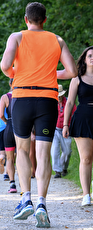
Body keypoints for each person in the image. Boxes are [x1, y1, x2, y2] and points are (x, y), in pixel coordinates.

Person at [0, 2, 77, 228]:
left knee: (22, 150)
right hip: (48, 100)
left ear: (26, 19)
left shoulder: (16, 37)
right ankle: (42, 203)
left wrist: (17, 73)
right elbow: (72, 71)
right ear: (45, 20)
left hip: (22, 99)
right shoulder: (57, 40)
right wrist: (51, 73)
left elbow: (5, 66)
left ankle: (26, 199)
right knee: (43, 153)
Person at [63, 46, 93, 206]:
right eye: (90, 55)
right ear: (85, 59)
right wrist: (66, 124)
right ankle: (86, 195)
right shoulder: (77, 78)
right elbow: (69, 103)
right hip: (83, 119)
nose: (92, 58)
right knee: (86, 158)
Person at [51, 84, 76, 178]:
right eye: (57, 95)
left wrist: (73, 128)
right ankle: (57, 171)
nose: (59, 97)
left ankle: (64, 167)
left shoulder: (68, 102)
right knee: (54, 151)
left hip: (66, 130)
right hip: (55, 130)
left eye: (60, 95)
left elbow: (74, 115)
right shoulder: (52, 102)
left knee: (67, 152)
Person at [0, 79, 17, 193]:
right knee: (21, 156)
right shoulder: (23, 95)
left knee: (9, 158)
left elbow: (0, 114)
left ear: (9, 84)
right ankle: (24, 184)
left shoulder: (5, 97)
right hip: (21, 128)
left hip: (9, 127)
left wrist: (6, 122)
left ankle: (12, 184)